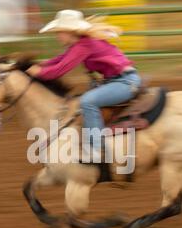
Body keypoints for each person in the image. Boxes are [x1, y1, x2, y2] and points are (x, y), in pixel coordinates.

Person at [26, 9, 142, 161]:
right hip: (119, 81)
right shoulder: (80, 45)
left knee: (87, 101)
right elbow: (58, 60)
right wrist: (36, 65)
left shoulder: (83, 46)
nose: (57, 35)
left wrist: (38, 72)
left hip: (125, 82)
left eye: (59, 31)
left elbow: (58, 70)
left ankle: (97, 149)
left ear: (70, 31)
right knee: (86, 102)